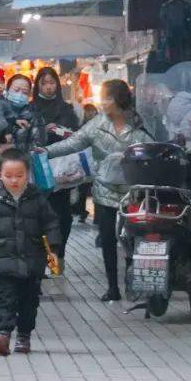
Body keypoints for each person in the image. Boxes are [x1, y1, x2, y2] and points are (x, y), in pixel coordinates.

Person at [45, 79, 141, 302]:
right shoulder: (97, 124)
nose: (103, 103)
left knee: (133, 238)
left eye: (107, 98)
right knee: (107, 239)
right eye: (103, 98)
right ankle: (112, 287)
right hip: (105, 190)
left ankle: (131, 280)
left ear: (119, 99)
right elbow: (73, 143)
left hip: (133, 191)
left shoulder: (139, 122)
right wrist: (46, 151)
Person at [0, 147, 62, 356]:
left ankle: (24, 335)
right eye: (9, 176)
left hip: (32, 259)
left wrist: (53, 249)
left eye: (19, 175)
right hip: (3, 259)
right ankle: (2, 334)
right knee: (4, 297)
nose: (14, 180)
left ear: (28, 174)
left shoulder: (36, 197)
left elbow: (51, 223)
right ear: (0, 175)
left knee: (29, 300)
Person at [30, 66, 81, 256]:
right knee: (40, 212)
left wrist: (59, 129)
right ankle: (45, 253)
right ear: (38, 85)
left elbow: (76, 134)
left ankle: (59, 253)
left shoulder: (66, 108)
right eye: (44, 83)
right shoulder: (31, 108)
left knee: (63, 214)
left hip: (62, 167)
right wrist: (42, 130)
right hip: (38, 166)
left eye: (52, 83)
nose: (48, 87)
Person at [72, 103, 98, 220]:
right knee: (83, 186)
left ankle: (97, 215)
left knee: (96, 187)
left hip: (97, 159)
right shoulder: (81, 126)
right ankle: (82, 212)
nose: (90, 113)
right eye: (88, 111)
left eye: (92, 111)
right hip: (84, 158)